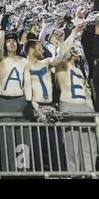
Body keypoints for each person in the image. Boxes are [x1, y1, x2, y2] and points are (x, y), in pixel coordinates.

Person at [23, 22, 80, 171]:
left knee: (56, 147)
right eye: (39, 48)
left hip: (50, 107)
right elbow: (26, 90)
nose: (43, 50)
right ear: (30, 50)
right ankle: (37, 175)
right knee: (36, 148)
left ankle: (58, 173)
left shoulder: (46, 62)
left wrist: (66, 37)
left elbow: (61, 57)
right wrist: (37, 108)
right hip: (36, 110)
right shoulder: (24, 67)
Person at [0, 13, 31, 172]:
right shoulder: (0, 59)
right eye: (9, 42)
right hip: (5, 101)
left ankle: (23, 173)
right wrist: (2, 29)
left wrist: (28, 102)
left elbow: (27, 83)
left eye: (14, 41)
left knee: (23, 141)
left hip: (21, 101)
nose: (12, 43)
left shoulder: (24, 61)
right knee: (6, 140)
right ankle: (7, 172)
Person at [56, 45, 97, 174]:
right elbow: (62, 53)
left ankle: (89, 171)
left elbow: (86, 92)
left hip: (84, 107)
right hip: (69, 106)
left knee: (89, 144)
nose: (74, 51)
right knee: (72, 145)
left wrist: (91, 110)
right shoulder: (61, 66)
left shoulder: (79, 71)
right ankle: (74, 173)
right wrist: (70, 35)